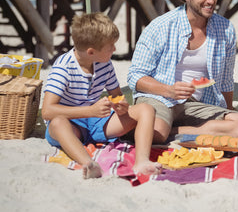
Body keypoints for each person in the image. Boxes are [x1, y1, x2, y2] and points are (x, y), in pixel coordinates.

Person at [127, 0, 238, 143]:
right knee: (156, 135)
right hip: (158, 98)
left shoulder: (225, 29)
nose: (211, 1)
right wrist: (169, 90)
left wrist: (228, 111)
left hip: (197, 104)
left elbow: (226, 80)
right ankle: (161, 129)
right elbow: (136, 76)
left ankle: (170, 130)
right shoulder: (161, 26)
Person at [42, 13, 161, 179]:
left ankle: (141, 161)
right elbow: (47, 111)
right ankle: (89, 163)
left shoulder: (105, 64)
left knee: (146, 109)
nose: (114, 49)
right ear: (91, 52)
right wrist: (90, 110)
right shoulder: (63, 68)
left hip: (97, 122)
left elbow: (117, 95)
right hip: (71, 126)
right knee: (57, 123)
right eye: (111, 46)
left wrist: (121, 106)